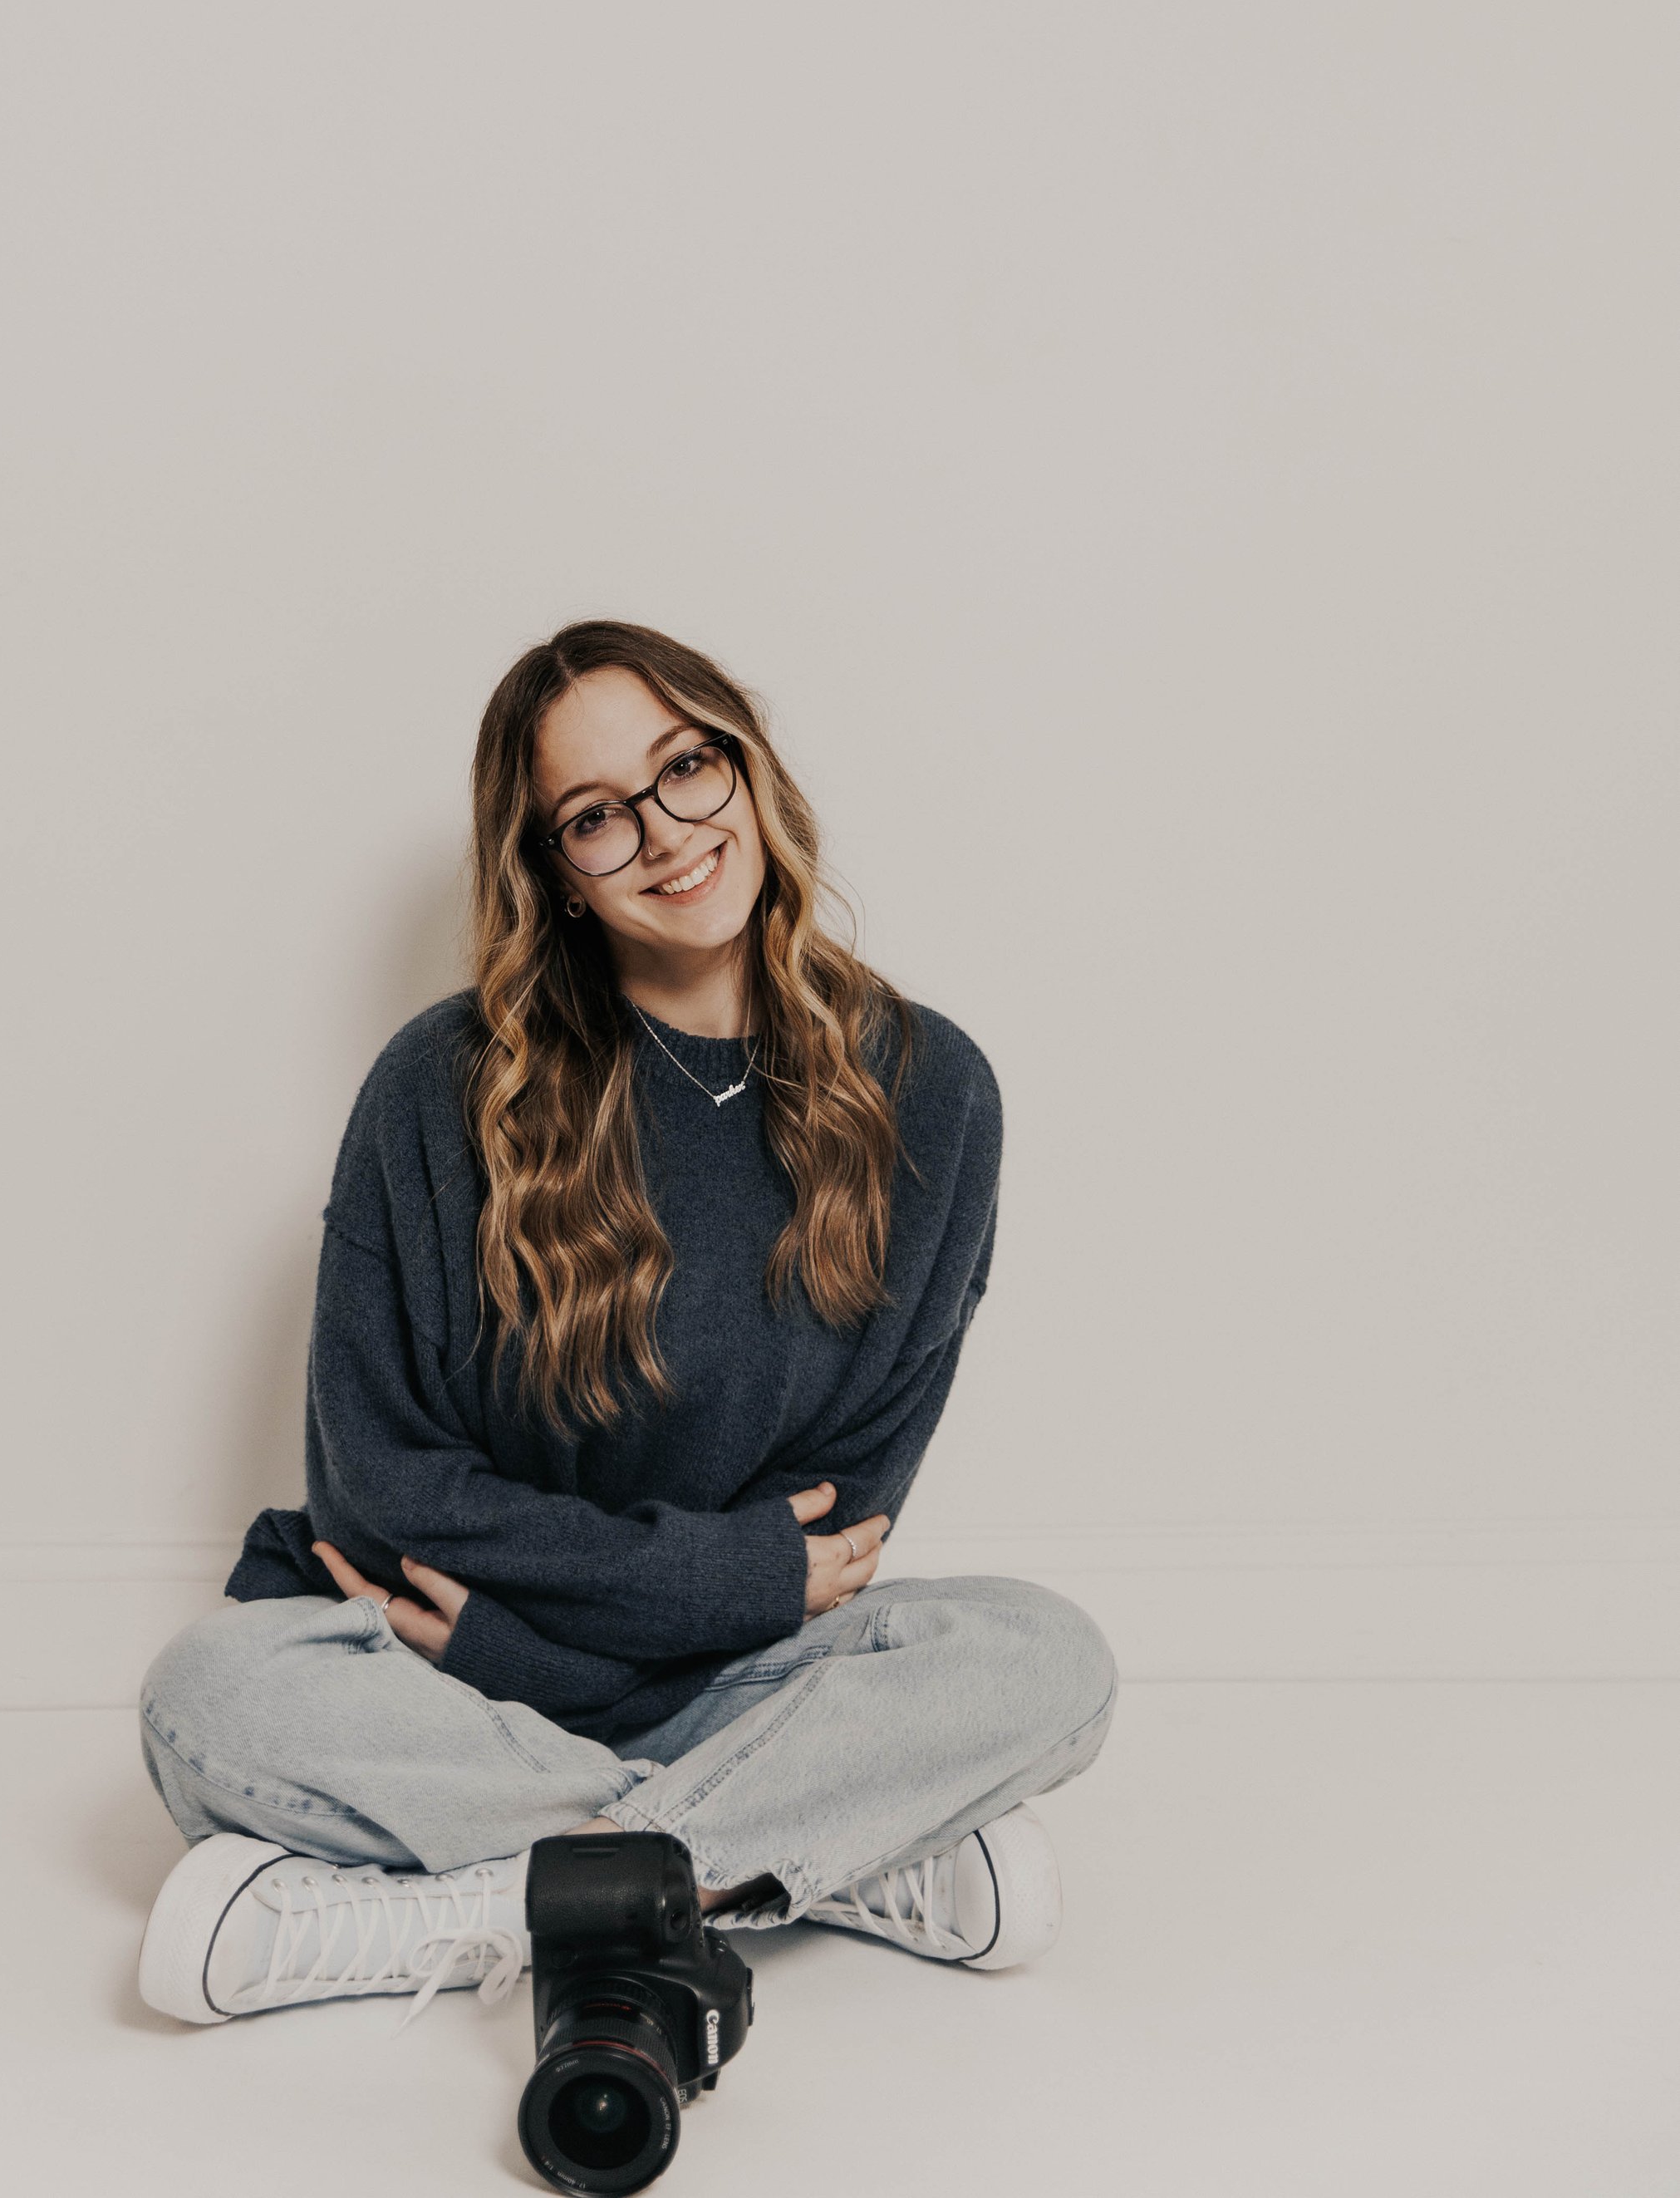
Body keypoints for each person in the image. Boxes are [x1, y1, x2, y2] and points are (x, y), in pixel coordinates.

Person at [135, 619, 1116, 2029]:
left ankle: (480, 1901)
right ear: (554, 870)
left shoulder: (933, 1093)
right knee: (211, 1692)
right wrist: (666, 1602)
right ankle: (799, 1857)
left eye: (686, 767)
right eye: (597, 815)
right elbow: (382, 1492)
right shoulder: (439, 1085)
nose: (665, 834)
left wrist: (562, 1630)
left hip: (720, 1682)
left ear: (749, 766)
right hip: (448, 1683)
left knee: (1046, 1658)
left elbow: (841, 1535)